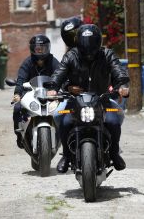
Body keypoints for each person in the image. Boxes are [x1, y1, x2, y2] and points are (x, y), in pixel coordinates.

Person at [47, 24, 130, 173]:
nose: (88, 51)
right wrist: (53, 87)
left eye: (92, 45)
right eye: (85, 46)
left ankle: (114, 152)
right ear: (78, 43)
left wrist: (122, 85)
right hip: (76, 101)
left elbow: (119, 71)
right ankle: (66, 155)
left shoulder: (107, 55)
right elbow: (59, 73)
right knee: (64, 122)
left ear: (98, 43)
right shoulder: (71, 55)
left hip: (102, 99)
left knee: (113, 121)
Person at [12, 33, 60, 148]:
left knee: (65, 109)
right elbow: (21, 79)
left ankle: (63, 134)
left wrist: (58, 89)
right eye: (37, 48)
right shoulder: (27, 62)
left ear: (48, 48)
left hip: (50, 94)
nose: (40, 51)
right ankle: (19, 135)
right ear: (32, 49)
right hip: (31, 94)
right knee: (17, 108)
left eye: (43, 48)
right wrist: (17, 93)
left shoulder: (53, 61)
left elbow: (60, 76)